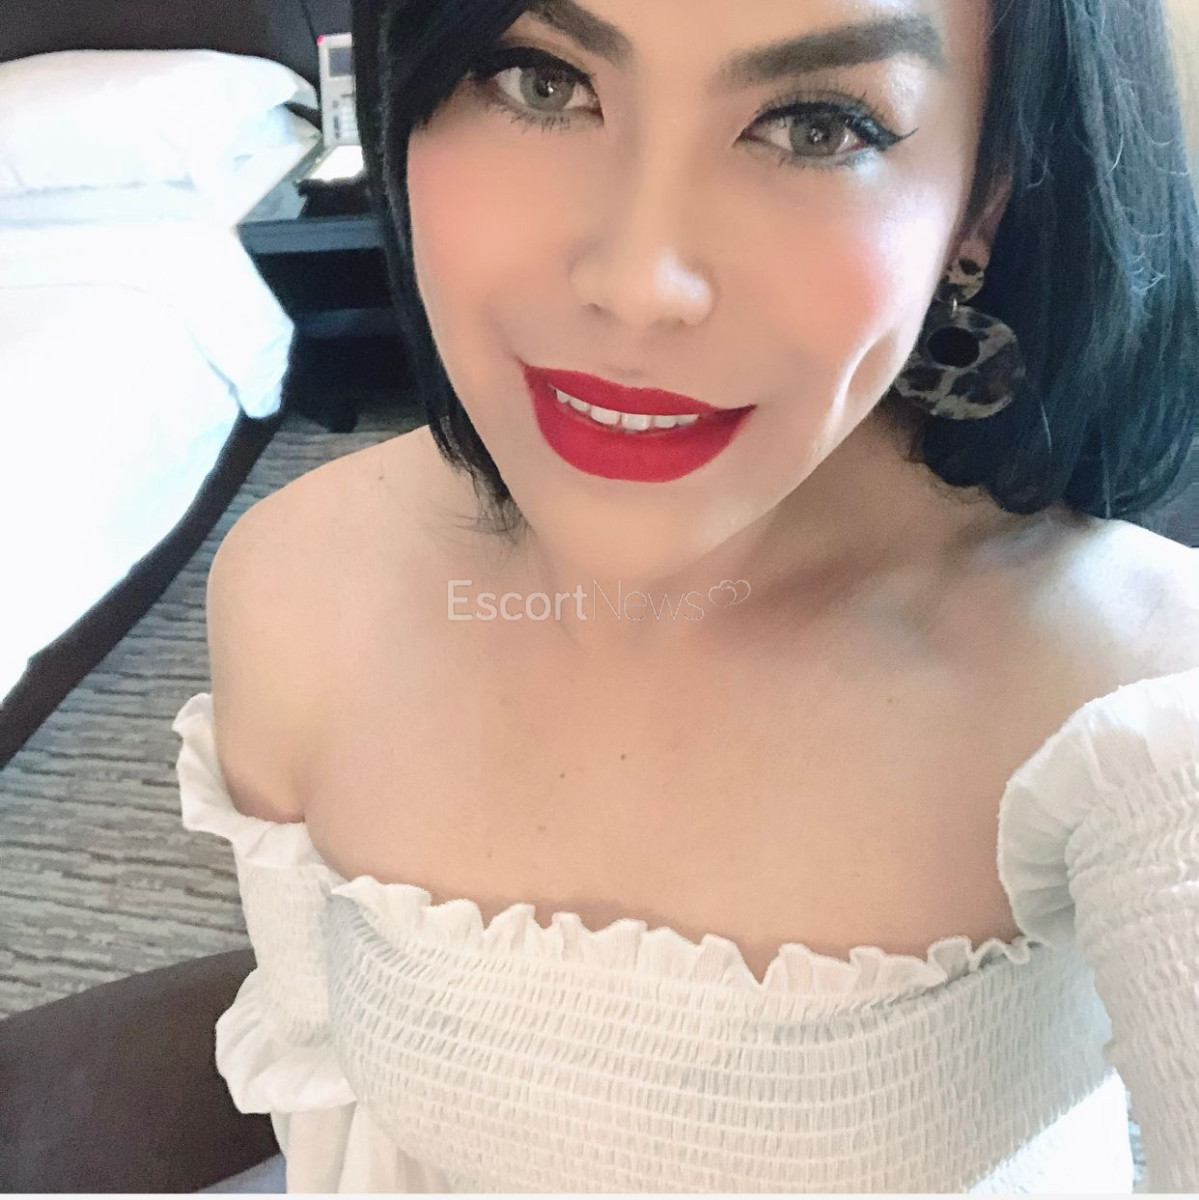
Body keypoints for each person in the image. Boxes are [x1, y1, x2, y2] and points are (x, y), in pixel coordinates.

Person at [176, 0, 1199, 1191]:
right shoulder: (298, 589)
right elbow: (325, 1102)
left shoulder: (1128, 693)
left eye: (816, 127)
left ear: (980, 201)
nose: (637, 286)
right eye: (540, 82)